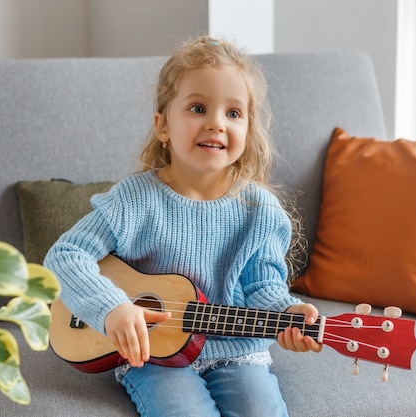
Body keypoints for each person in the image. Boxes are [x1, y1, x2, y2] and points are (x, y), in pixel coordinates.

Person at [44, 36, 322, 417]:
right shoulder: (135, 200)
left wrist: (287, 313)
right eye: (198, 107)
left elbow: (262, 287)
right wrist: (112, 309)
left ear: (249, 130)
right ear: (163, 126)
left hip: (236, 353)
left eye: (234, 113)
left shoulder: (261, 211)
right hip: (153, 354)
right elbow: (65, 255)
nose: (216, 124)